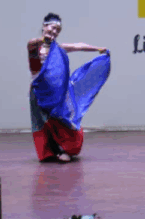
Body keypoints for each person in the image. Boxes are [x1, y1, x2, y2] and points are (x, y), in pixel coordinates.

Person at [28, 13, 109, 162]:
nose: (55, 32)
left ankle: (66, 148)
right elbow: (31, 44)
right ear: (44, 26)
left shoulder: (57, 48)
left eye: (58, 30)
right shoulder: (35, 47)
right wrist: (44, 40)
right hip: (39, 93)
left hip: (56, 93)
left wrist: (97, 49)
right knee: (44, 123)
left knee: (63, 121)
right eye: (52, 28)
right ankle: (53, 152)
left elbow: (78, 46)